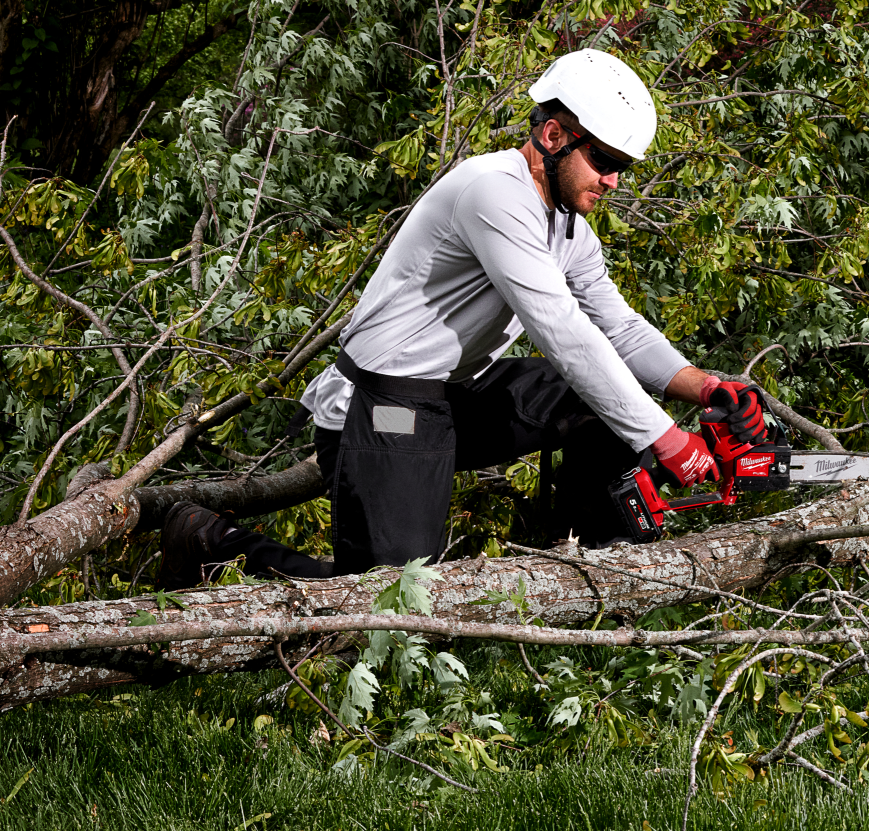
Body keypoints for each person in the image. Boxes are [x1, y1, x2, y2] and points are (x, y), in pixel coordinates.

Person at [159, 49, 768, 589]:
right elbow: (563, 333)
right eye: (605, 160)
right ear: (554, 135)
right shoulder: (493, 192)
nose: (612, 179)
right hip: (381, 407)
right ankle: (213, 539)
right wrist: (665, 439)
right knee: (396, 598)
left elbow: (619, 328)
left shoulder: (568, 227)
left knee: (599, 394)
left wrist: (705, 385)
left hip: (450, 396)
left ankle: (600, 562)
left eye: (623, 167)